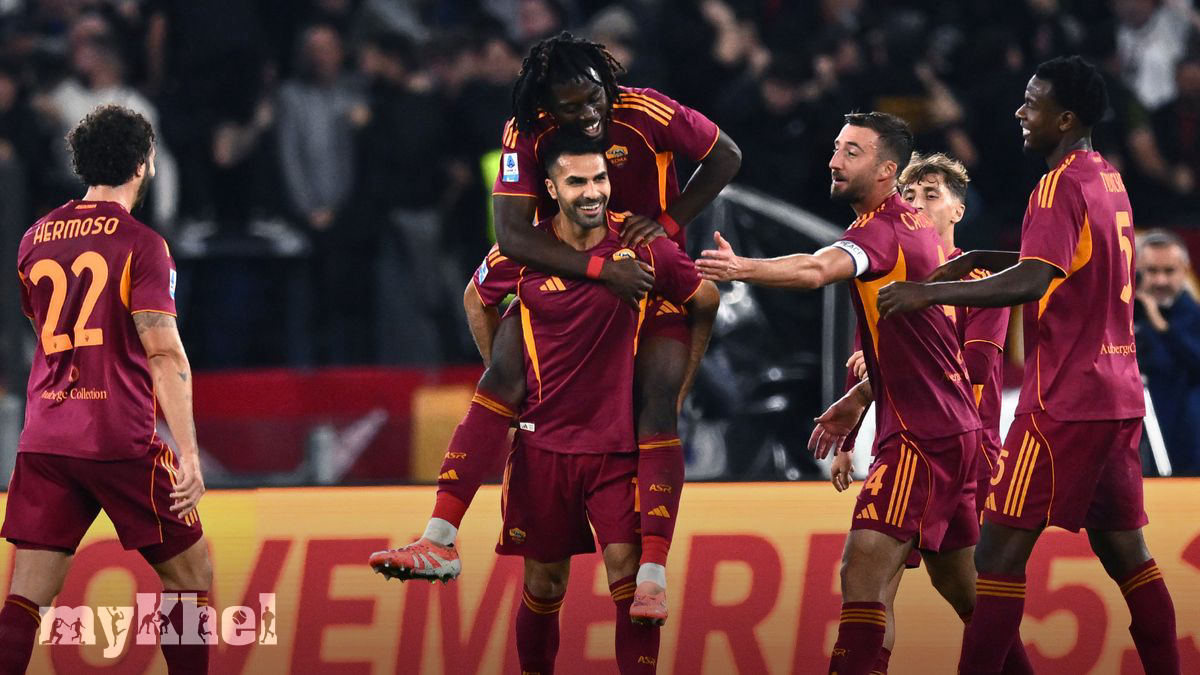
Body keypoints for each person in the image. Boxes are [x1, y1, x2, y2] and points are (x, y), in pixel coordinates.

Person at [371, 31, 740, 624]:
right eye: (572, 107)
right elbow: (510, 239)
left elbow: (726, 156)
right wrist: (596, 273)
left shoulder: (646, 110)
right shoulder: (525, 131)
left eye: (594, 98)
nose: (589, 114)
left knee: (657, 406)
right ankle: (439, 539)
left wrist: (668, 223)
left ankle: (652, 574)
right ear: (547, 108)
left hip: (647, 272)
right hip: (563, 273)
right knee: (503, 378)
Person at [877, 55, 1181, 674]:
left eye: (1032, 103)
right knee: (1128, 556)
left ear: (1064, 119)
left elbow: (1034, 280)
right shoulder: (1107, 178)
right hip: (1118, 396)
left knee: (994, 559)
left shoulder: (1056, 184)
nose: (1020, 112)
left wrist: (927, 293)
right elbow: (1071, 262)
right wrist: (981, 259)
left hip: (1063, 403)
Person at [394, 135, 716, 672]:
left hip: (615, 449)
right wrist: (507, 370)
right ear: (551, 188)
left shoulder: (639, 244)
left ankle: (439, 537)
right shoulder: (524, 250)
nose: (592, 192)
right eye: (576, 181)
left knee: (631, 584)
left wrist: (681, 385)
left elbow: (704, 299)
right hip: (542, 449)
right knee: (544, 585)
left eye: (600, 179)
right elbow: (476, 298)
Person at [697, 112, 988, 675]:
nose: (834, 161)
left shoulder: (880, 231)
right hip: (947, 428)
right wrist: (860, 397)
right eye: (836, 147)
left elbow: (814, 270)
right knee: (965, 593)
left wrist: (739, 267)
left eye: (852, 152)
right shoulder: (911, 226)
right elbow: (920, 346)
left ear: (886, 171)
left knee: (862, 576)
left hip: (923, 438)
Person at [0, 105, 210, 675]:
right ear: (143, 165)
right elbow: (163, 352)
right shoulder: (143, 244)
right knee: (192, 576)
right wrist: (189, 454)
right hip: (118, 440)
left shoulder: (34, 239)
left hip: (46, 439)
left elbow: (42, 327)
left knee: (26, 596)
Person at [822, 151, 1017, 674]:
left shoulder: (978, 278)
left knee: (871, 573)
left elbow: (975, 368)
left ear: (958, 211)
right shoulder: (892, 273)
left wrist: (875, 379)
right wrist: (848, 444)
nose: (918, 204)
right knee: (939, 588)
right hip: (908, 441)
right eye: (910, 195)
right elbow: (867, 358)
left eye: (932, 195)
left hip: (964, 452)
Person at [1135, 230, 1200, 474]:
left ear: (1184, 270)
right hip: (1140, 435)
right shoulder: (1125, 316)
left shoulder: (1194, 316)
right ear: (1137, 269)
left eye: (1169, 271)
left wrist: (1162, 326)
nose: (1160, 280)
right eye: (1152, 271)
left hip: (1187, 435)